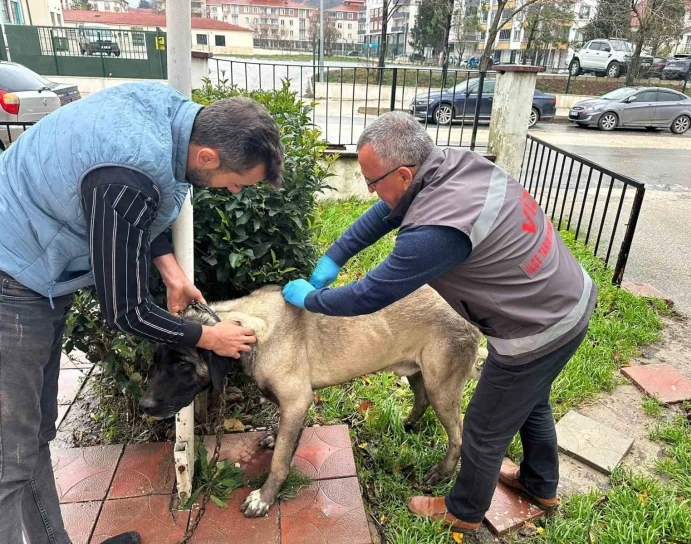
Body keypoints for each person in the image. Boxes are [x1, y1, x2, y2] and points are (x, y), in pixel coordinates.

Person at [281, 111, 597, 533]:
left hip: (538, 329)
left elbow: (370, 295)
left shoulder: (436, 231)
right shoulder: (453, 164)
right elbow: (385, 213)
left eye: (372, 182)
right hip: (568, 293)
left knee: (485, 425)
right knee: (530, 401)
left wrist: (313, 298)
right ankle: (540, 485)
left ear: (405, 173)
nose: (371, 191)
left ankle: (463, 512)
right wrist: (336, 255)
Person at [0, 82, 284, 544]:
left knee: (33, 436)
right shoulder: (128, 174)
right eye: (237, 181)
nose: (234, 191)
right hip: (11, 274)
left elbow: (129, 212)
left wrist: (171, 270)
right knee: (9, 456)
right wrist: (207, 338)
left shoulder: (172, 120)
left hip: (32, 270)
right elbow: (125, 311)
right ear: (208, 157)